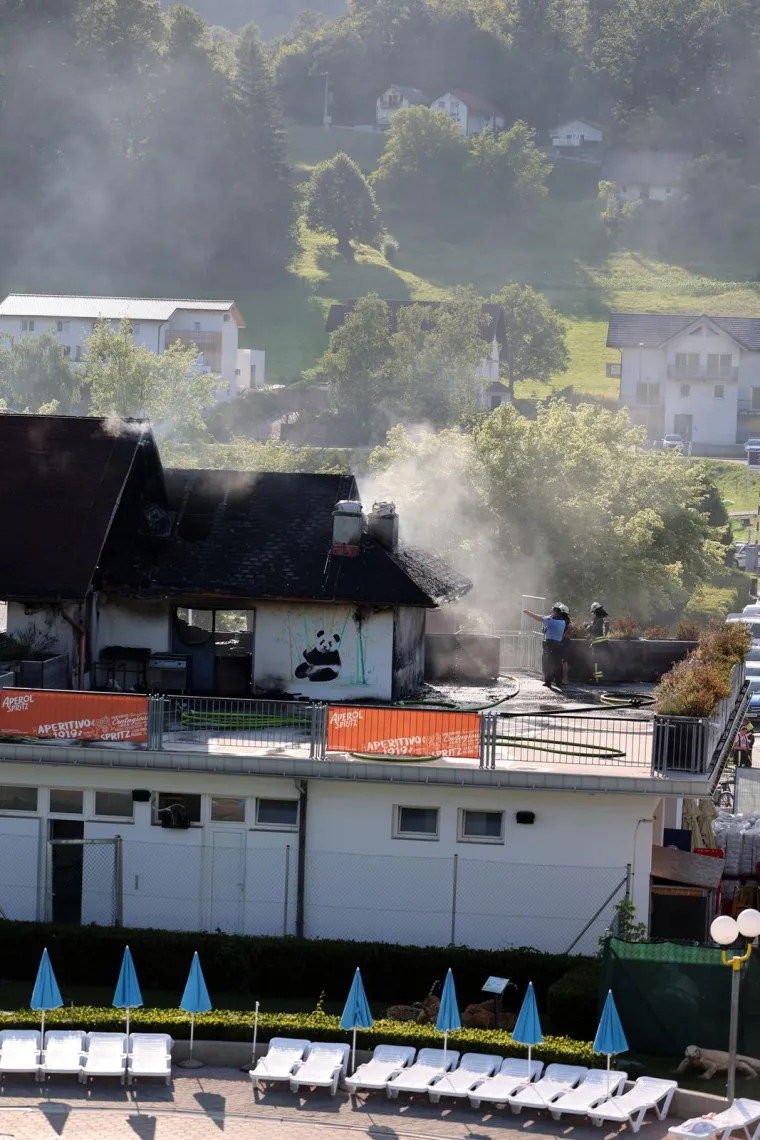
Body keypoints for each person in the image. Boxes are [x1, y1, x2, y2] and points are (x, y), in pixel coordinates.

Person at [524, 604, 566, 688]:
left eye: (552, 611)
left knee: (547, 663)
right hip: (558, 644)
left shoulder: (550, 620)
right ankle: (558, 681)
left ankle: (548, 681)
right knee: (557, 663)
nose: (551, 613)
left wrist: (528, 612)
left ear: (555, 612)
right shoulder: (563, 621)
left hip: (549, 644)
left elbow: (538, 618)